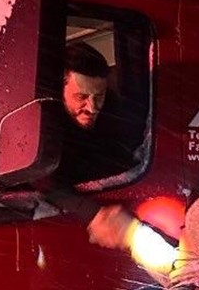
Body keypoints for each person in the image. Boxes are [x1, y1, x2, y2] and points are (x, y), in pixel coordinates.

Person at [53, 41, 138, 187]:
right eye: (82, 97)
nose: (92, 108)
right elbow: (46, 185)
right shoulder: (45, 130)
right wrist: (93, 210)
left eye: (99, 96)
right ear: (60, 91)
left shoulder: (117, 114)